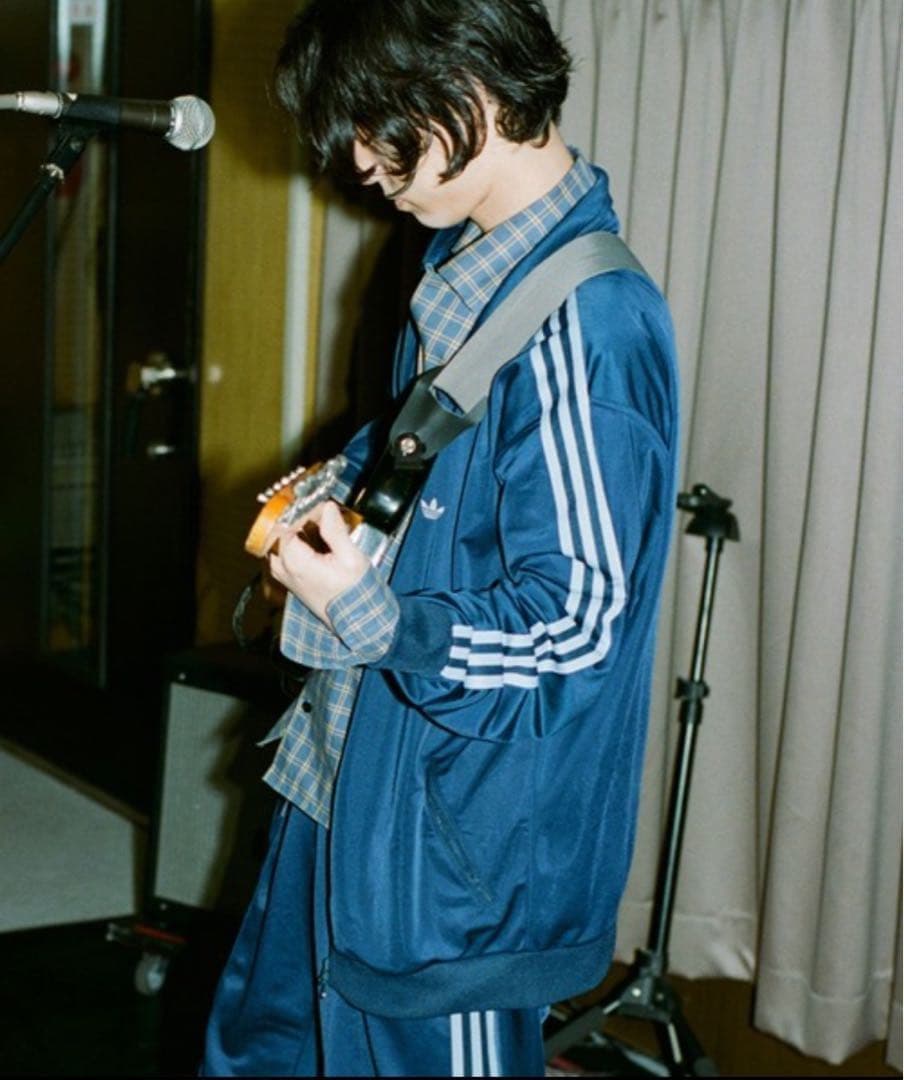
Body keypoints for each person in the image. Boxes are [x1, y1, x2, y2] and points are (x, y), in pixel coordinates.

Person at [200, 0, 679, 1075]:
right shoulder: (471, 262)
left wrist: (374, 619)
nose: (362, 164)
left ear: (470, 90)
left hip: (448, 860)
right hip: (345, 771)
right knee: (262, 1051)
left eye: (378, 128)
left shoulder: (592, 324)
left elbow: (573, 633)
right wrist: (346, 480)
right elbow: (439, 448)